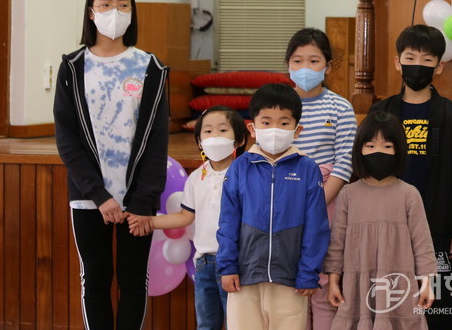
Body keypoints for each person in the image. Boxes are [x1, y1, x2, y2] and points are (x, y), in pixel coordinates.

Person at [54, 0, 169, 330]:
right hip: (90, 198)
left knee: (135, 282)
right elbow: (67, 138)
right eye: (105, 4)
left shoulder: (152, 68)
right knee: (96, 280)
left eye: (123, 5)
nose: (114, 12)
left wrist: (142, 200)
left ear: (132, 14)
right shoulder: (73, 67)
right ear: (91, 12)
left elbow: (156, 139)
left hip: (137, 199)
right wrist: (99, 195)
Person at [368, 24, 452, 330]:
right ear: (397, 61)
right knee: (389, 302)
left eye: (427, 60)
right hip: (388, 226)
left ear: (439, 67)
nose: (418, 66)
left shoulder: (450, 112)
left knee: (438, 305)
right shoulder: (382, 111)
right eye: (411, 57)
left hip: (437, 226)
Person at [217, 83, 330, 330]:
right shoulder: (239, 168)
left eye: (284, 122)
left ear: (297, 130)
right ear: (253, 128)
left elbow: (316, 226)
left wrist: (308, 273)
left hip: (291, 281)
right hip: (245, 279)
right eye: (266, 122)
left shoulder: (308, 169)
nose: (275, 129)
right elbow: (227, 222)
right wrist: (228, 266)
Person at [132, 106, 247, 330]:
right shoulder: (196, 177)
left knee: (237, 323)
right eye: (208, 131)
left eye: (223, 130)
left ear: (239, 140)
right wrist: (150, 222)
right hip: (204, 263)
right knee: (205, 324)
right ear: (199, 141)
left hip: (235, 262)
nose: (214, 137)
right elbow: (185, 216)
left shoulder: (245, 173)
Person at [325, 112, 437, 329]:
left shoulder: (409, 194)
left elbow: (422, 242)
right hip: (356, 285)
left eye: (387, 147)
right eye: (370, 146)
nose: (378, 152)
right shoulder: (348, 194)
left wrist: (427, 283)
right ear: (359, 150)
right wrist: (332, 280)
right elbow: (336, 242)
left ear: (399, 151)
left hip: (399, 285)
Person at [287, 28, 359, 330]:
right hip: (286, 205)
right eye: (297, 60)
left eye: (314, 61)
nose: (305, 68)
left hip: (327, 203)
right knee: (292, 288)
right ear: (288, 65)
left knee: (324, 281)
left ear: (328, 66)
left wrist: (315, 203)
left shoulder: (340, 106)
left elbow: (345, 162)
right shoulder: (280, 106)